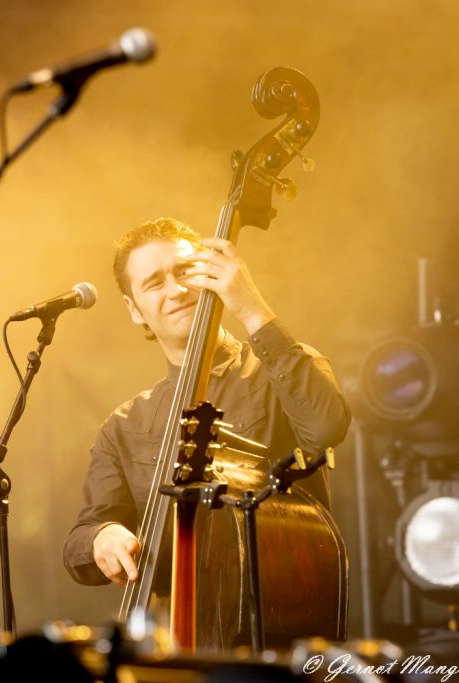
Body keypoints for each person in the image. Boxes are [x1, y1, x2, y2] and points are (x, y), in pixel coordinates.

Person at [63, 217, 350, 597]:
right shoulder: (124, 426)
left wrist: (251, 308)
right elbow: (81, 540)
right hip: (178, 626)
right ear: (134, 310)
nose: (177, 290)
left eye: (186, 272)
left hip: (284, 606)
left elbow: (327, 426)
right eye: (155, 283)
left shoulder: (280, 370)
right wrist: (102, 536)